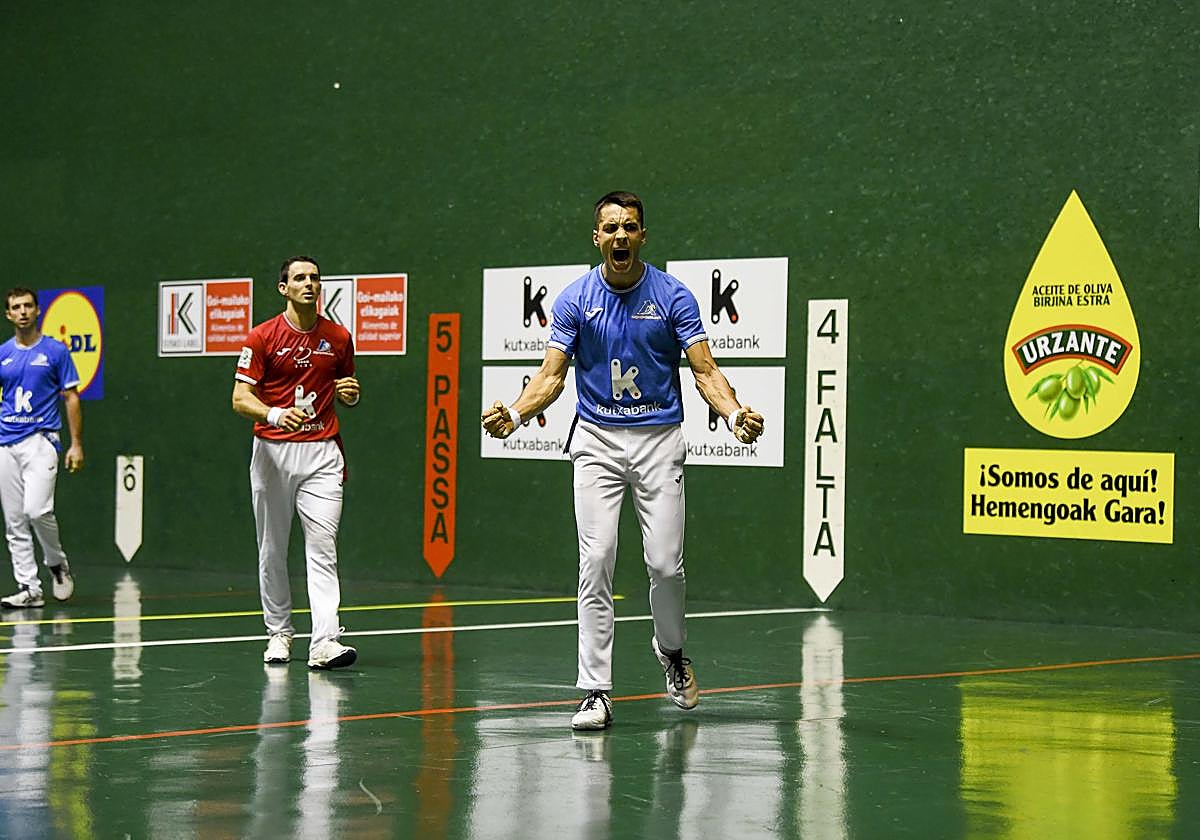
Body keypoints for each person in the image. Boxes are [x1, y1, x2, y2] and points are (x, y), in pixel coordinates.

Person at [482, 192, 765, 730]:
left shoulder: (673, 296)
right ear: (597, 237)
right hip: (596, 440)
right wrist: (516, 415)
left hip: (660, 440)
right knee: (596, 559)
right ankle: (594, 691)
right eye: (610, 227)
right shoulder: (574, 299)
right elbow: (550, 376)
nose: (619, 236)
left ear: (642, 236)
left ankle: (672, 652)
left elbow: (705, 371)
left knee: (664, 564)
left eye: (629, 227)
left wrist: (732, 416)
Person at [232, 256, 361, 669]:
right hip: (272, 453)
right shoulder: (261, 337)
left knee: (322, 548)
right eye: (300, 278)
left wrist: (350, 394)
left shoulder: (339, 338)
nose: (309, 284)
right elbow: (240, 398)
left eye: (315, 278)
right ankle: (279, 632)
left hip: (322, 453)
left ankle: (324, 641)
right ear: (283, 287)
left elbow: (347, 388)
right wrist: (272, 413)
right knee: (272, 548)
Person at [0, 288, 83, 609]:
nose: (22, 312)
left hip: (42, 440)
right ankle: (29, 587)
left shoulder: (56, 352)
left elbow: (72, 397)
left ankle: (57, 564)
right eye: (16, 307)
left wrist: (75, 444)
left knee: (37, 510)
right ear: (8, 315)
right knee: (15, 519)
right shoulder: (3, 353)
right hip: (6, 442)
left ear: (37, 311)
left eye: (28, 306)